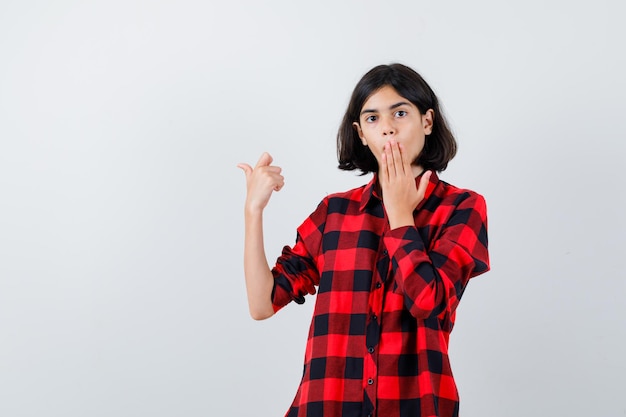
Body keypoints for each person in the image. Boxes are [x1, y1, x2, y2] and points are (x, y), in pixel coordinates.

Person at [237, 63, 490, 417]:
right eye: (372, 119)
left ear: (427, 121)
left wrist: (400, 215)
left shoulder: (461, 208)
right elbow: (262, 304)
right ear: (360, 133)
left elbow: (428, 303)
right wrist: (253, 211)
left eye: (400, 113)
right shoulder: (334, 212)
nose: (387, 128)